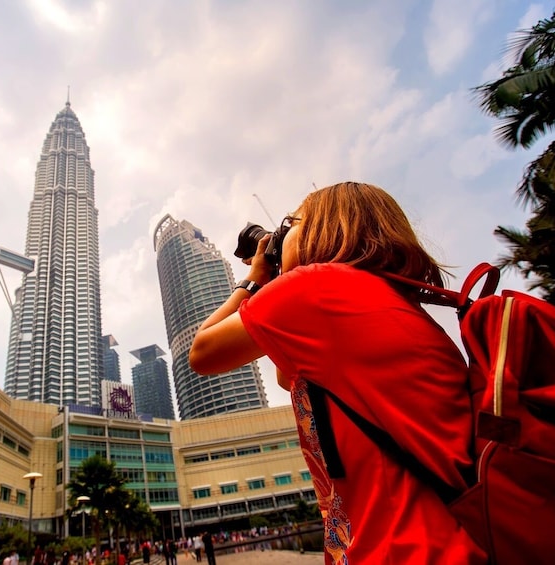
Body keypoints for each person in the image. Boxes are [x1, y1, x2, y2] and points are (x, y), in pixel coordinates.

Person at [189, 182, 488, 564]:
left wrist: (253, 282)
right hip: (455, 539)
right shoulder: (396, 302)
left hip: (403, 548)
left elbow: (203, 353)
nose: (282, 236)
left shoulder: (316, 285)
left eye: (290, 223)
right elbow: (289, 377)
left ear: (324, 228)